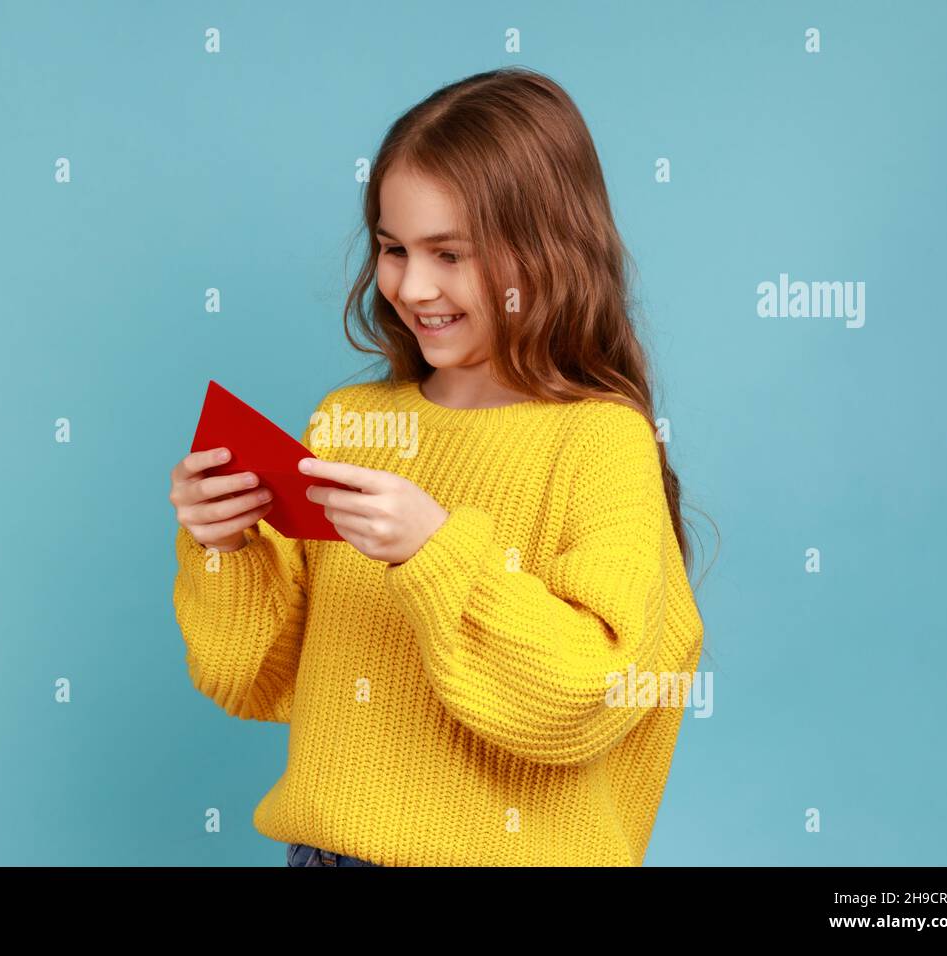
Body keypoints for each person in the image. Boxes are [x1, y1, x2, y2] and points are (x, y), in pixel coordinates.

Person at [170, 66, 710, 867]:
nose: (412, 287)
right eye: (393, 249)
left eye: (449, 254)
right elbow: (252, 677)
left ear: (548, 252)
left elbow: (589, 698)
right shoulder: (349, 424)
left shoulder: (599, 442)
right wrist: (225, 544)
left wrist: (436, 552)